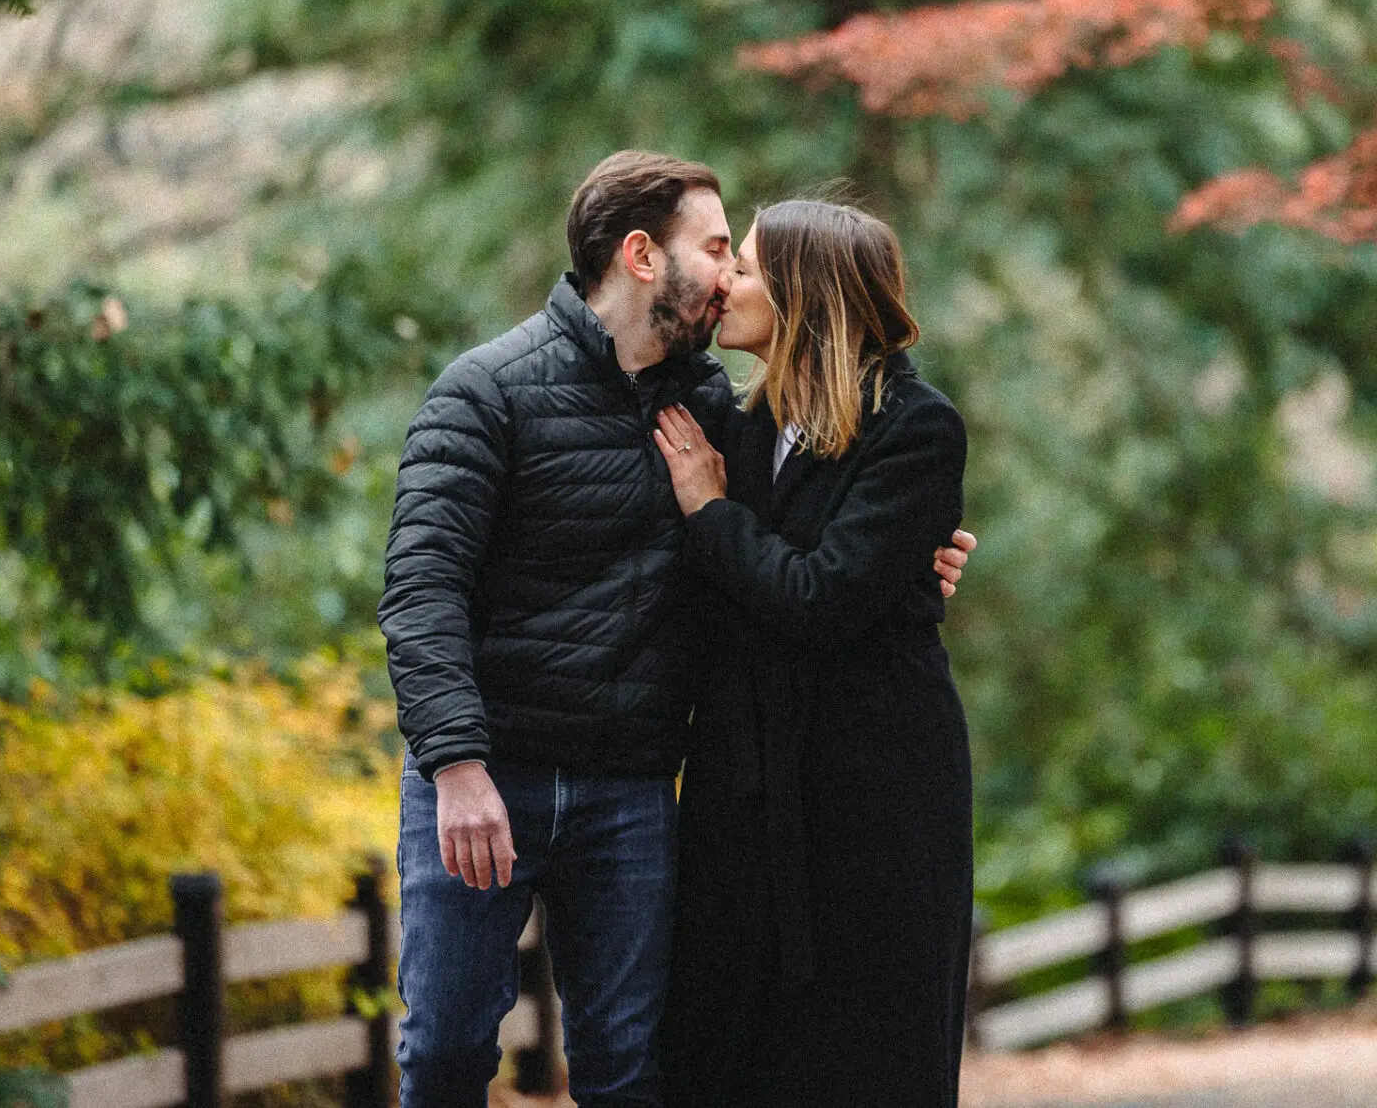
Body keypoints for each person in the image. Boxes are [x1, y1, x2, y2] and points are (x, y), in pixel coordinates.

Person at [378, 152, 973, 1108]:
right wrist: (455, 764)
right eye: (717, 250)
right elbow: (421, 587)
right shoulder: (486, 391)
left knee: (628, 1068)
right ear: (645, 257)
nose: (730, 273)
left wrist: (918, 563)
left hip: (633, 789)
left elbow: (806, 556)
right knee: (445, 1053)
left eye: (743, 259)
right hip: (495, 777)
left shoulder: (711, 408)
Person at [653, 196, 975, 1108]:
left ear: (804, 296)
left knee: (864, 1058)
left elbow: (820, 600)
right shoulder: (745, 428)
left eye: (745, 268)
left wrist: (713, 517)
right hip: (744, 794)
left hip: (874, 802)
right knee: (723, 1057)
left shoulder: (916, 428)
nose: (726, 283)